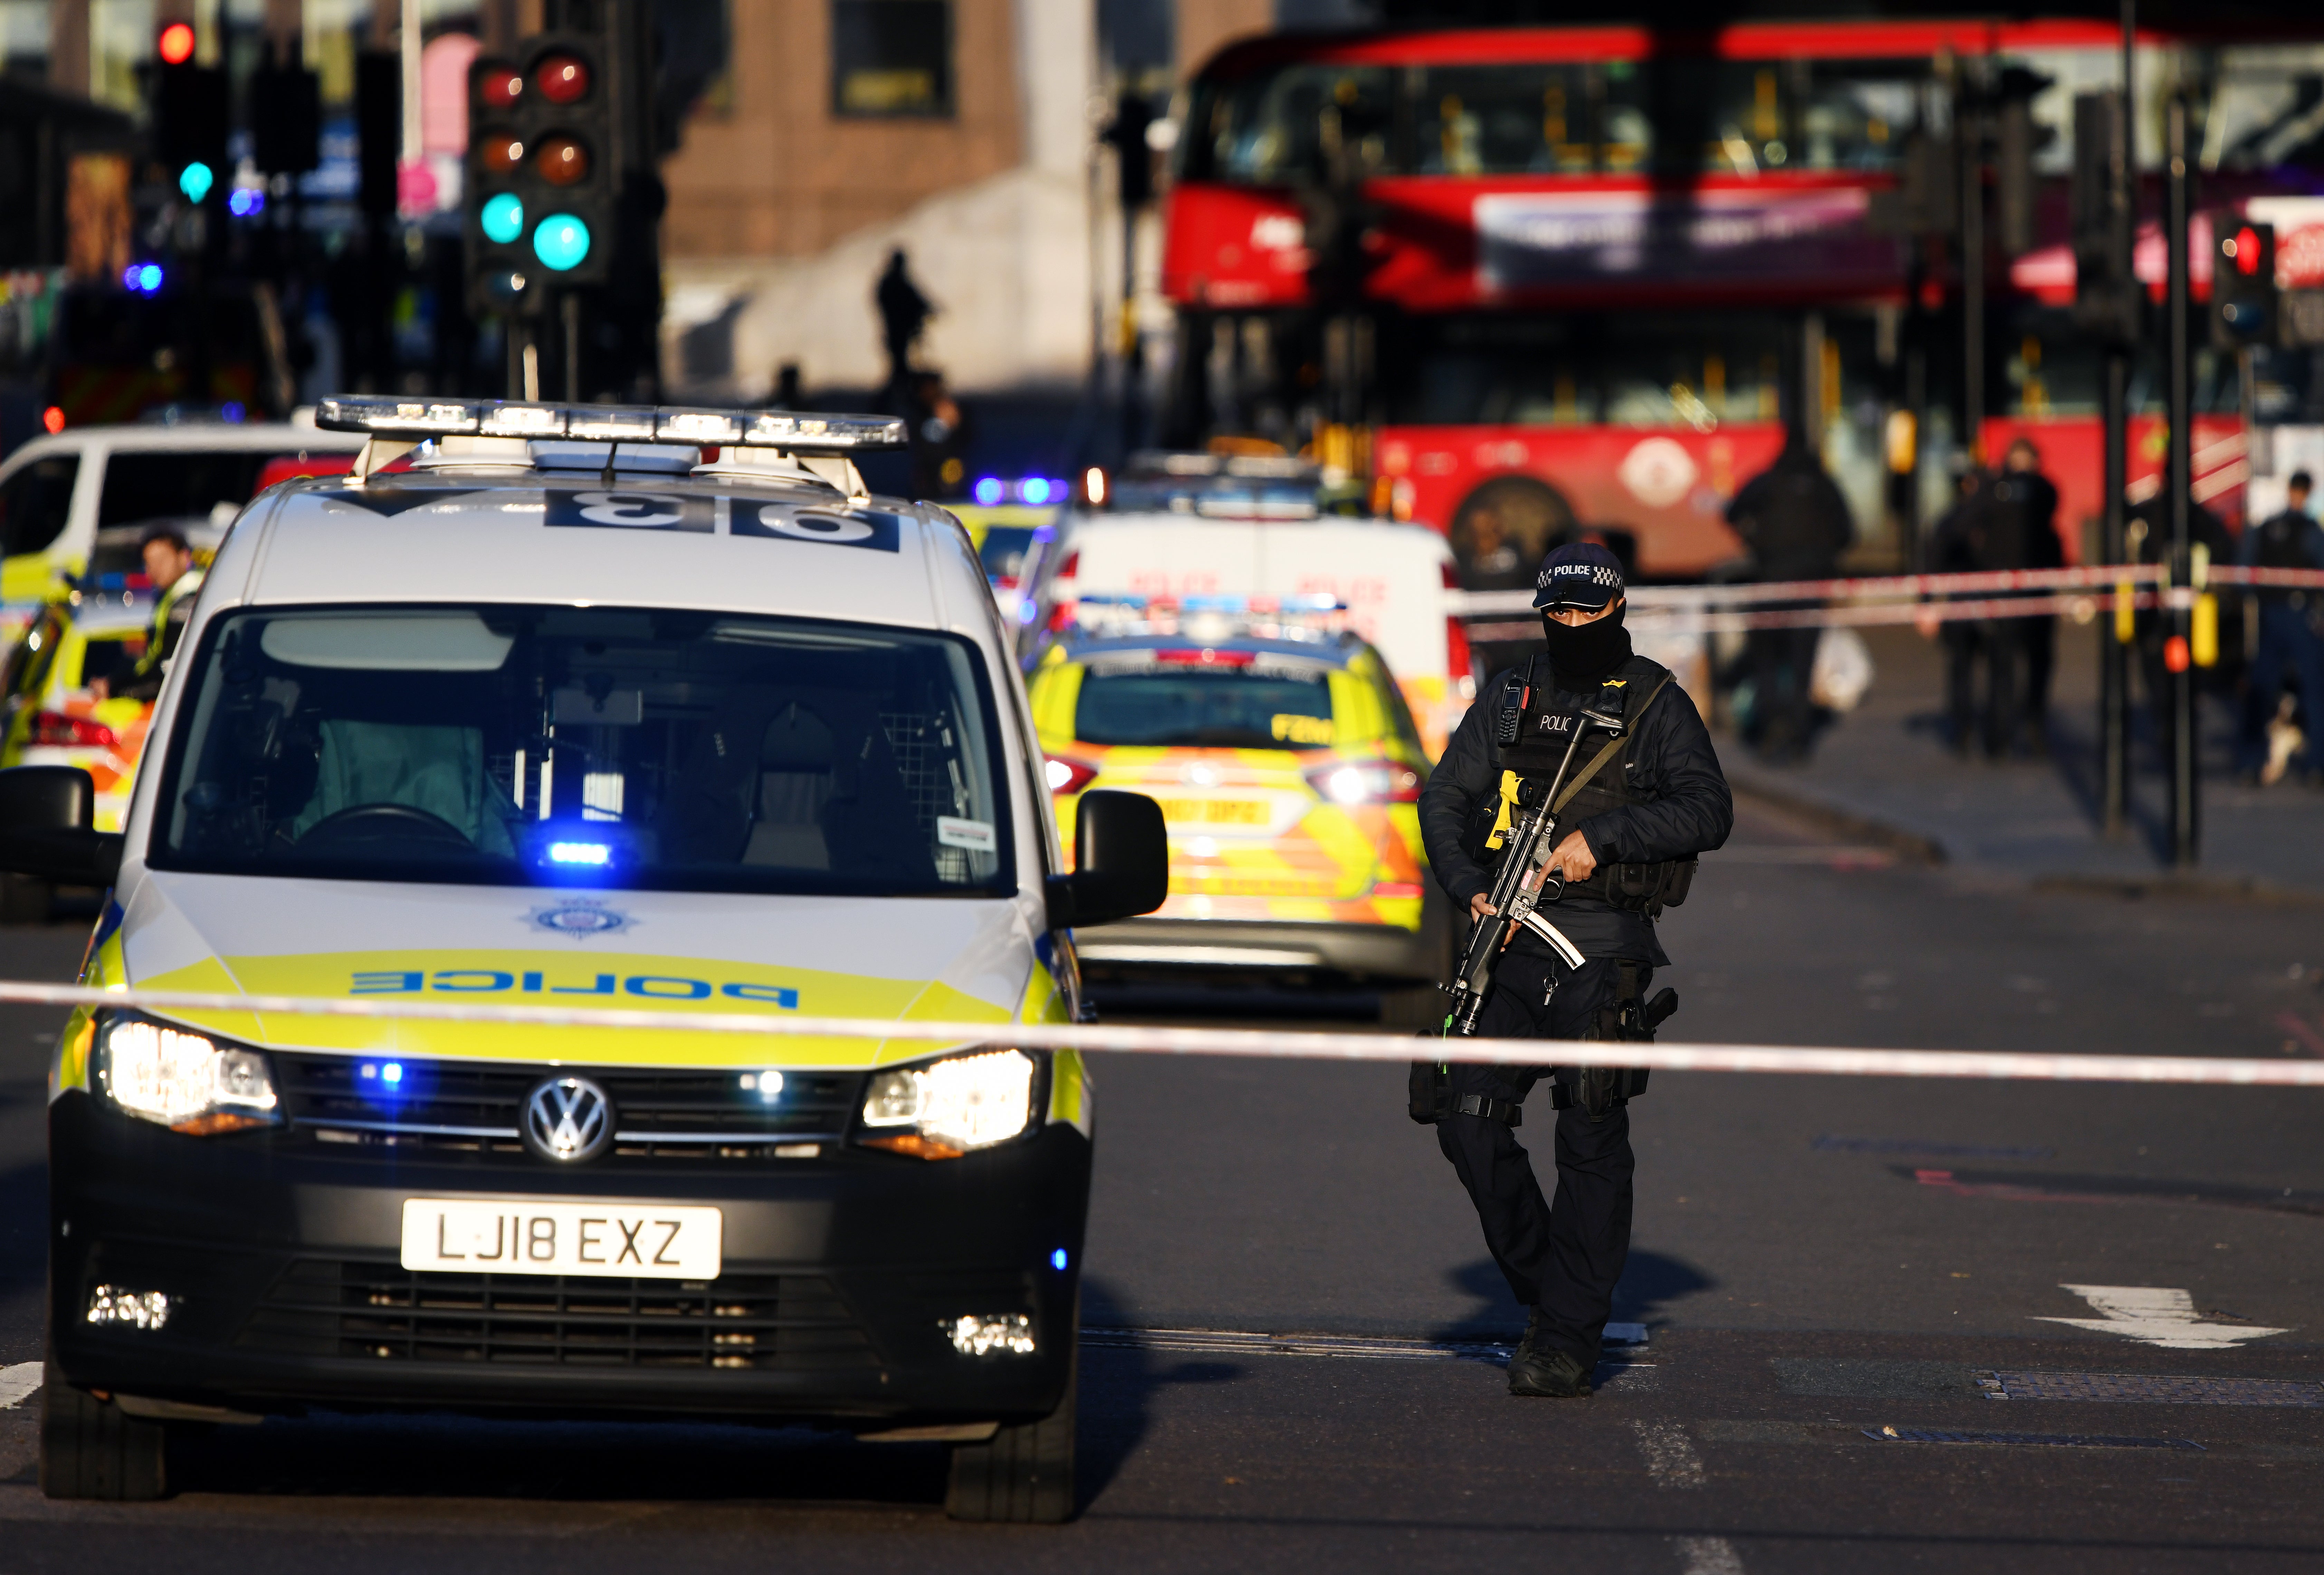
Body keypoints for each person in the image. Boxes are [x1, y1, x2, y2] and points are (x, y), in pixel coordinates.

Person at [1418, 541, 1733, 1399]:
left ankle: (1564, 1338)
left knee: (1590, 1132)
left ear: (1618, 610)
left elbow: (1708, 808)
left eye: (1588, 614)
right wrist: (1468, 887)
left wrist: (1606, 839)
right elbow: (1445, 797)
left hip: (1602, 947)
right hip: (1509, 940)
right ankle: (1552, 1288)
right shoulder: (1513, 693)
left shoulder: (1656, 701)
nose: (1571, 627)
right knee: (1464, 1116)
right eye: (1556, 613)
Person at [1724, 430, 1854, 761]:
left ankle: (1768, 733)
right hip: (1810, 588)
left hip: (1769, 581)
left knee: (1765, 663)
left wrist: (1754, 542)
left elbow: (1732, 512)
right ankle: (1800, 739)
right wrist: (1823, 557)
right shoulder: (1825, 486)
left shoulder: (1768, 482)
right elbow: (1849, 532)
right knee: (1802, 665)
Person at [2237, 470, 2324, 782]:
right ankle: (2317, 765)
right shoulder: (2311, 529)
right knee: (2314, 691)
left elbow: (2245, 570)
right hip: (2299, 614)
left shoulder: (2267, 527)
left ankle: (2249, 762)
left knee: (2261, 689)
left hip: (2269, 613)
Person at [93, 524, 201, 703]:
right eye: (149, 564)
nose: (155, 570)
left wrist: (115, 688)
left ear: (184, 557)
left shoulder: (186, 602)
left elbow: (164, 677)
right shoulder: (173, 596)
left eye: (162, 561)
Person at [2002, 438, 2065, 745]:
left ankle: (2033, 715)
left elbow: (2050, 500)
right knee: (2009, 656)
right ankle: (2012, 717)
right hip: (2010, 588)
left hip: (2038, 586)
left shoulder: (2041, 490)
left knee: (2038, 656)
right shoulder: (2001, 491)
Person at [875, 249, 934, 392]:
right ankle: (889, 403)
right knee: (900, 370)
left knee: (901, 369)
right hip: (897, 332)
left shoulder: (897, 282)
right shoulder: (894, 282)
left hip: (902, 332)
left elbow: (918, 301)